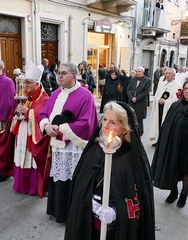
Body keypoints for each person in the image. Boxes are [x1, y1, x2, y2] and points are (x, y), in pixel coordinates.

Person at [65, 101, 155, 240]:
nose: (105, 126)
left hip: (116, 231)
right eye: (105, 119)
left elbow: (137, 200)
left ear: (125, 128)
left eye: (113, 122)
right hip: (87, 224)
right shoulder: (93, 150)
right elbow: (79, 186)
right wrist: (89, 201)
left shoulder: (132, 159)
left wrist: (116, 211)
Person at [39, 62, 98, 223]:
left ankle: (74, 217)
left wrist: (61, 129)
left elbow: (87, 123)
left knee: (73, 181)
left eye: (64, 73)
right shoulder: (56, 93)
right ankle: (58, 211)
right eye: (59, 73)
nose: (60, 76)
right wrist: (46, 125)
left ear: (74, 76)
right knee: (58, 178)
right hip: (57, 147)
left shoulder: (85, 95)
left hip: (74, 147)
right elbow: (43, 113)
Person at [12, 61, 49, 195]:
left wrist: (27, 111)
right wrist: (18, 110)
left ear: (37, 84)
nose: (25, 85)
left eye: (28, 83)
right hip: (22, 132)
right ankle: (23, 185)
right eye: (25, 82)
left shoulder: (44, 97)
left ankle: (32, 186)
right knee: (22, 157)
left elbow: (41, 115)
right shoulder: (27, 96)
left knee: (31, 160)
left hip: (32, 135)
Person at [152, 81, 188, 208]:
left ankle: (184, 194)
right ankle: (173, 192)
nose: (187, 91)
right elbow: (167, 126)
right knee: (172, 167)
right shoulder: (175, 106)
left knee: (186, 171)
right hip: (175, 144)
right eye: (186, 89)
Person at [149, 68, 182, 146]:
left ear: (174, 75)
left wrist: (166, 101)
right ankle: (157, 139)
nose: (167, 75)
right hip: (159, 108)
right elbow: (157, 95)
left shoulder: (178, 85)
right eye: (166, 73)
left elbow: (177, 101)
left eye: (169, 73)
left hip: (169, 110)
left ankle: (165, 141)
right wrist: (158, 100)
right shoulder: (162, 84)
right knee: (158, 123)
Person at [127, 66, 151, 136]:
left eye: (139, 71)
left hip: (141, 102)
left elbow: (146, 92)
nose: (137, 73)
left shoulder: (147, 80)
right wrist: (131, 98)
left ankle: (139, 133)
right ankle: (131, 131)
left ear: (143, 72)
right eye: (137, 71)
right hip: (132, 101)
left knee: (139, 118)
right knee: (130, 117)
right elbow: (128, 89)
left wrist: (136, 98)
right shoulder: (132, 79)